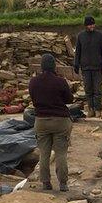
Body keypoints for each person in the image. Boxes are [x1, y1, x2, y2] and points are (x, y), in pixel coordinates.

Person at [29, 54, 74, 192]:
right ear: (54, 66)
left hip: (41, 121)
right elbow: (69, 100)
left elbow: (33, 98)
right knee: (61, 153)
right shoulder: (60, 81)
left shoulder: (33, 82)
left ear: (41, 66)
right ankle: (63, 184)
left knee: (44, 153)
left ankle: (46, 183)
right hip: (60, 121)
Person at [73, 16, 102, 118]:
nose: (92, 26)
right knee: (88, 90)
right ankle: (91, 109)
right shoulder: (81, 36)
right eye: (89, 24)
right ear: (85, 25)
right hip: (85, 68)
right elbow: (77, 52)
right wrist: (76, 64)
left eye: (93, 24)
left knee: (97, 90)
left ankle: (98, 110)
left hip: (97, 67)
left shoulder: (100, 36)